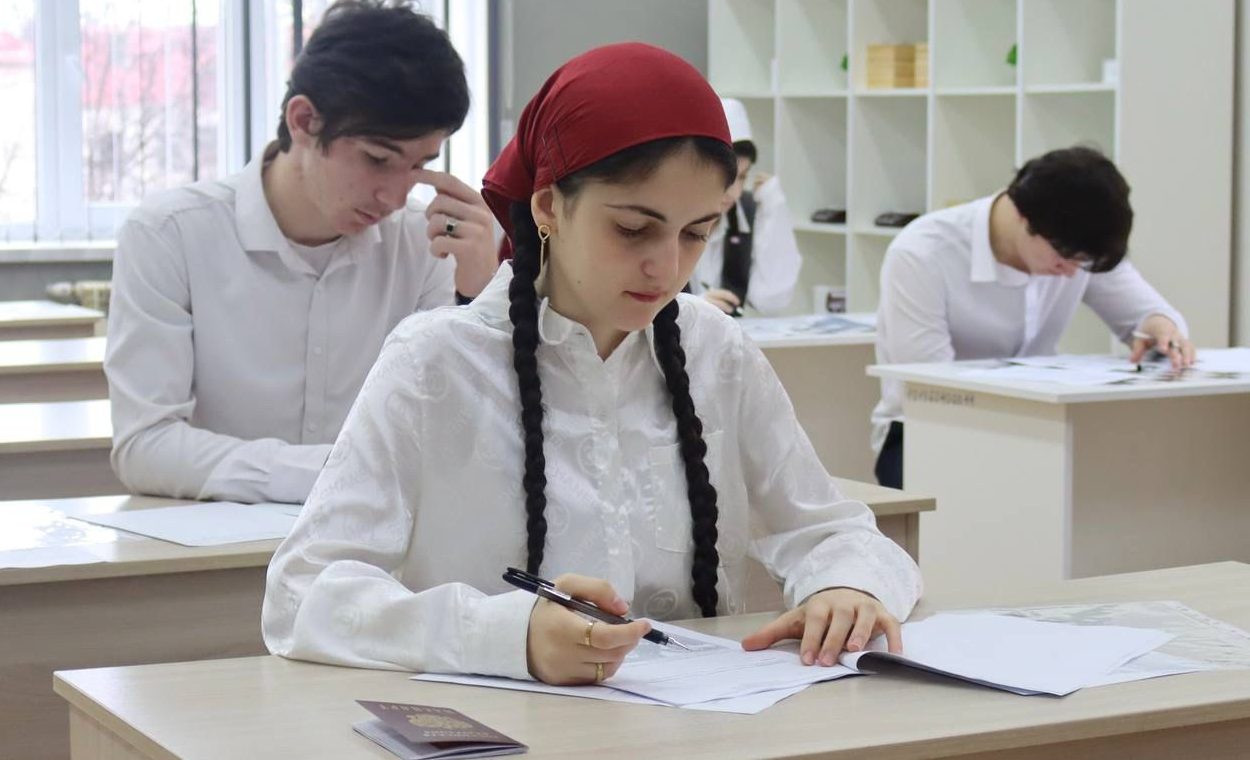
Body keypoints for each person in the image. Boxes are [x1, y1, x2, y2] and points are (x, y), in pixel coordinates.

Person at [262, 43, 922, 686]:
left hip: (698, 730)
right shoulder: (434, 362)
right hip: (503, 733)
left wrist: (848, 588)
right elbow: (302, 595)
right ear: (548, 206)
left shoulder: (716, 351)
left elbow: (832, 531)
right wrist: (509, 635)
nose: (668, 267)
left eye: (698, 232)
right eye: (633, 229)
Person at [104, 0, 499, 503]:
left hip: (380, 543)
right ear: (304, 120)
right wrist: (335, 472)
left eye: (419, 166)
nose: (397, 196)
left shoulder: (426, 247)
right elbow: (145, 447)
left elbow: (458, 449)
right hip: (217, 545)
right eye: (378, 159)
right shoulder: (169, 235)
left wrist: (480, 300)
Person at [872, 146, 1194, 490]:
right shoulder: (922, 253)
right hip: (928, 434)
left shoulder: (1075, 248)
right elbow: (929, 387)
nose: (1071, 272)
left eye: (1084, 263)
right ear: (1022, 216)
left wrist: (1161, 328)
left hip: (1041, 429)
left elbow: (1148, 313)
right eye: (1065, 258)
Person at [689, 98, 801, 315]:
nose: (733, 191)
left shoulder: (746, 212)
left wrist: (775, 209)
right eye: (726, 176)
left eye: (742, 177)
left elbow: (771, 300)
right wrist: (692, 308)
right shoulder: (667, 218)